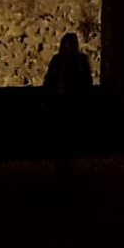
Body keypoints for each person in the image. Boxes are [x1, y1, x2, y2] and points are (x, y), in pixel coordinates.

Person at [43, 31, 93, 171]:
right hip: (60, 100)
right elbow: (50, 79)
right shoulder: (58, 60)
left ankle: (68, 160)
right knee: (61, 131)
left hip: (74, 100)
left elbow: (87, 79)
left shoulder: (80, 60)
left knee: (70, 131)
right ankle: (61, 159)